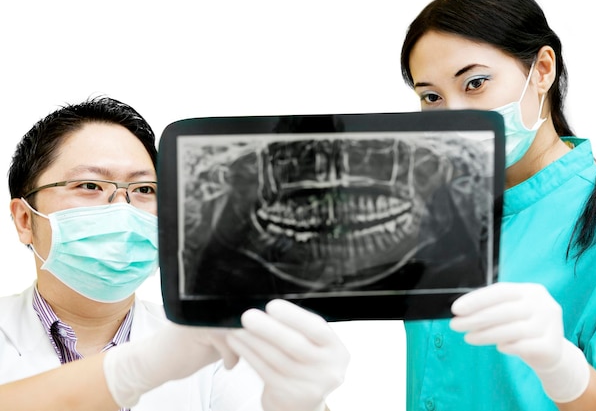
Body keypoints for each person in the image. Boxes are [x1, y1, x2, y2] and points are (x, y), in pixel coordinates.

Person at [0, 96, 349, 411]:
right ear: (24, 219)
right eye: (90, 185)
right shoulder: (168, 353)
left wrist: (302, 406)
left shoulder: (211, 345)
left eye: (144, 189)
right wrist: (132, 370)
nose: (123, 209)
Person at [399, 0, 596, 410]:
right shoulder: (437, 215)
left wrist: (563, 370)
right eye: (431, 97)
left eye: (475, 83)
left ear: (542, 70)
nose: (455, 117)